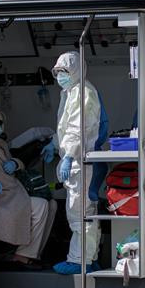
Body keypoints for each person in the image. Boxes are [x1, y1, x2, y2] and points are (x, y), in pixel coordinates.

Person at [0, 108, 56, 269]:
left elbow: (13, 162)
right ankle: (22, 256)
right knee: (41, 205)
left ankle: (32, 254)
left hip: (13, 191)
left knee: (52, 205)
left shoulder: (1, 143)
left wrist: (15, 163)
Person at [41, 51, 102, 274]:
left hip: (80, 161)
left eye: (64, 72)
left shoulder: (83, 92)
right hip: (75, 160)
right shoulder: (70, 92)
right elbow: (65, 127)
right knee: (82, 212)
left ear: (76, 71)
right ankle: (89, 258)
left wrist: (68, 156)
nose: (60, 76)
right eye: (57, 72)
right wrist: (54, 145)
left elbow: (79, 129)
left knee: (79, 214)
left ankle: (79, 261)